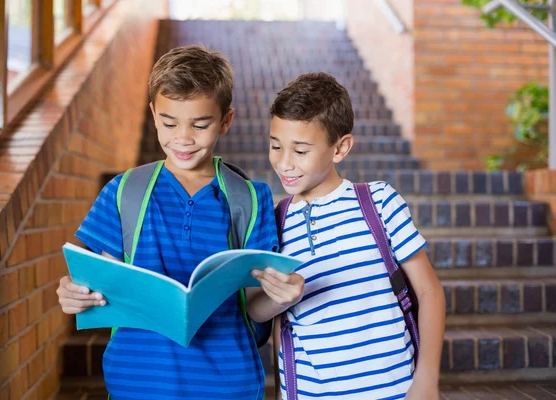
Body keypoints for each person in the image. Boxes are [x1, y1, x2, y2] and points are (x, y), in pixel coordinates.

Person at [56, 45, 281, 400]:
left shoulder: (251, 199)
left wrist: (281, 298)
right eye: (169, 122)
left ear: (225, 120)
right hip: (137, 381)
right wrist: (74, 293)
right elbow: (98, 279)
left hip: (227, 384)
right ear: (153, 114)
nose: (183, 138)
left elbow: (255, 305)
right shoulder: (124, 191)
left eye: (200, 124)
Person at [248, 73, 446, 400]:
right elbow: (256, 311)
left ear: (340, 148)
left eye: (300, 150)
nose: (283, 162)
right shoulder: (274, 222)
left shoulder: (379, 202)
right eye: (275, 145)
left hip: (395, 390)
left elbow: (429, 291)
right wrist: (280, 298)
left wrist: (427, 378)